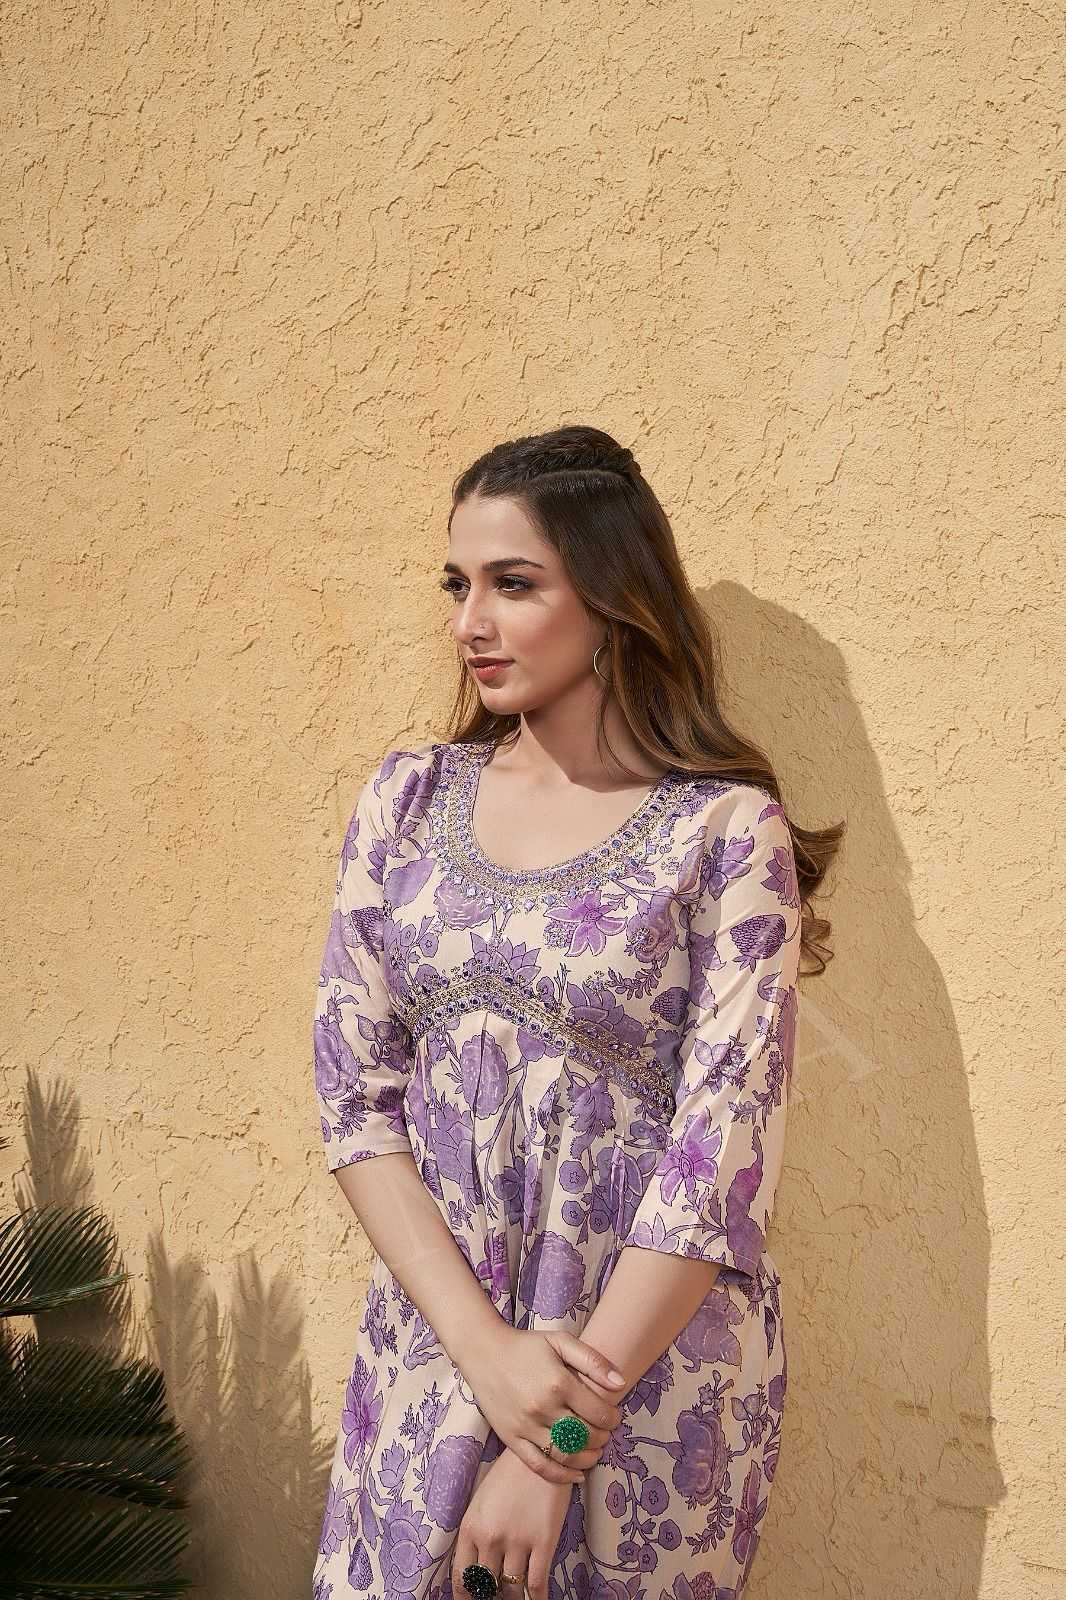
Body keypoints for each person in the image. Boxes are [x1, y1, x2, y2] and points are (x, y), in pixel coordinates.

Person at [310, 425, 843, 1600]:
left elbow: (718, 1161)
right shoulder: (407, 801)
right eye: (457, 584)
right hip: (436, 1352)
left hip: (644, 1385)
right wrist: (489, 1358)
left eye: (513, 583)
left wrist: (550, 1442)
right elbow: (355, 1099)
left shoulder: (723, 830)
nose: (469, 622)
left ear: (611, 599)